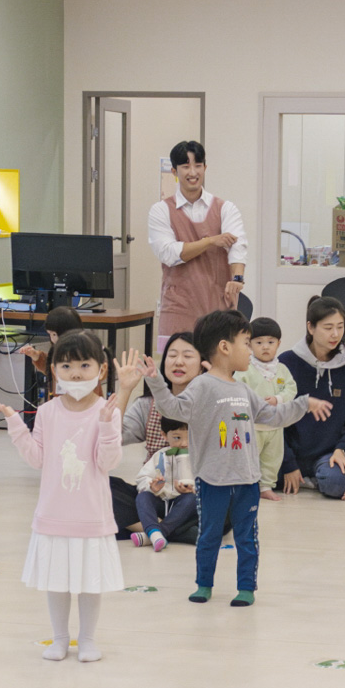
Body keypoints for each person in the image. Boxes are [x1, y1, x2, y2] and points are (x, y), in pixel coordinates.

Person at [143, 310, 330, 606]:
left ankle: (246, 587)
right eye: (246, 343)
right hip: (212, 480)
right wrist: (155, 381)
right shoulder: (202, 386)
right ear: (224, 347)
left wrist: (303, 404)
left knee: (247, 537)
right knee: (209, 535)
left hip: (247, 480)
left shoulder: (244, 389)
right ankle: (204, 584)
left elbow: (272, 416)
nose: (250, 350)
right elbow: (173, 409)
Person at [0, 331, 132, 663]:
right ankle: (60, 639)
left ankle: (88, 639)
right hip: (54, 514)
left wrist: (107, 425)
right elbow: (37, 458)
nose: (76, 373)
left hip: (91, 515)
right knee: (57, 581)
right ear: (53, 370)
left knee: (89, 582)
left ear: (101, 369)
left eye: (84, 365)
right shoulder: (47, 412)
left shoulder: (107, 410)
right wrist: (14, 424)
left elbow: (108, 462)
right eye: (66, 366)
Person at [147, 140, 244, 347]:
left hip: (217, 303)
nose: (193, 172)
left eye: (198, 165)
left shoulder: (225, 208)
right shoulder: (161, 210)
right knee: (178, 361)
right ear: (175, 171)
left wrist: (237, 278)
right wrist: (210, 241)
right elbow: (169, 253)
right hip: (179, 305)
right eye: (186, 166)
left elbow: (237, 246)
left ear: (205, 168)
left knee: (218, 360)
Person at [109, 332, 204, 541]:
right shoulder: (147, 404)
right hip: (155, 496)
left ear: (202, 365)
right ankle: (170, 531)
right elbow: (112, 438)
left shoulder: (209, 406)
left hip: (193, 497)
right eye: (172, 355)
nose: (178, 362)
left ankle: (148, 529)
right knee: (102, 486)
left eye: (188, 356)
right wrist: (125, 389)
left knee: (226, 502)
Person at [279, 296, 345, 501]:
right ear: (310, 328)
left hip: (329, 453)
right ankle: (302, 476)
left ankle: (314, 476)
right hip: (289, 450)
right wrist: (288, 463)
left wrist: (342, 450)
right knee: (256, 476)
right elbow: (275, 417)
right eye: (328, 328)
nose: (335, 334)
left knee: (337, 484)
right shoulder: (287, 362)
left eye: (340, 327)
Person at [239, 316, 297, 501]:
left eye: (270, 342)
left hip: (275, 427)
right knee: (249, 457)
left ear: (278, 343)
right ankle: (246, 486)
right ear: (249, 344)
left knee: (272, 459)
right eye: (259, 342)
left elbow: (291, 388)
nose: (265, 347)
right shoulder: (245, 368)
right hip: (252, 426)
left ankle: (266, 486)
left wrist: (279, 399)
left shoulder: (282, 369)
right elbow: (238, 389)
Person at [132, 416, 195, 550]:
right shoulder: (160, 456)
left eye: (190, 437)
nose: (184, 443)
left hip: (185, 508)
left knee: (191, 499)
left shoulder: (199, 458)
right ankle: (157, 533)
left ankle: (154, 535)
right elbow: (142, 477)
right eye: (177, 438)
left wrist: (193, 489)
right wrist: (152, 486)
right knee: (143, 497)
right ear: (164, 435)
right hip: (162, 503)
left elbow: (209, 482)